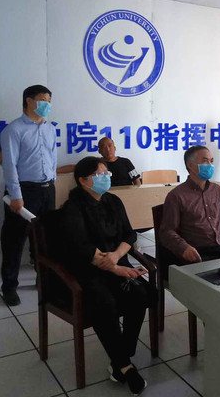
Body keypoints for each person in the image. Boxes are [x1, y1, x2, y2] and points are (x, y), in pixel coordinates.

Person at [58, 157, 149, 395]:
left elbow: (129, 234)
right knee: (104, 302)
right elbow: (82, 248)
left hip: (117, 261)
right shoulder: (72, 208)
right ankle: (125, 365)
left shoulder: (114, 201)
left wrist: (117, 257)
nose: (106, 177)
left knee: (141, 294)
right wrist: (117, 269)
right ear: (83, 180)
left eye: (106, 173)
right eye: (99, 174)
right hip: (88, 270)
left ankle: (120, 356)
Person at [0, 85, 57, 306]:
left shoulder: (50, 128)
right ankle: (9, 287)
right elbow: (9, 165)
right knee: (14, 240)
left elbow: (52, 159)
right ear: (29, 101)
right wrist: (16, 195)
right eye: (43, 100)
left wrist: (53, 184)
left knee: (44, 239)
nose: (47, 105)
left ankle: (43, 280)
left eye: (49, 101)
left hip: (47, 190)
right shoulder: (14, 129)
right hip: (24, 191)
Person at [159, 145, 220, 265]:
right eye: (205, 161)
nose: (210, 165)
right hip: (196, 254)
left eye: (211, 161)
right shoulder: (176, 195)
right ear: (190, 165)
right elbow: (167, 231)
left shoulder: (216, 190)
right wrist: (183, 248)